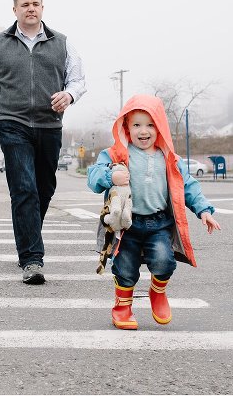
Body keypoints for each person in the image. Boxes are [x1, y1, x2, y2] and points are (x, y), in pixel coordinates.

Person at [0, 0, 87, 284]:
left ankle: (28, 230)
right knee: (24, 187)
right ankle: (32, 259)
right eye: (25, 4)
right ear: (15, 10)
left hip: (49, 125)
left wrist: (69, 95)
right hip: (12, 122)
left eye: (35, 3)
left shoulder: (62, 43)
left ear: (42, 8)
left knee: (43, 189)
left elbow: (78, 79)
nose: (30, 8)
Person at [87, 94, 221, 329]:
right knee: (125, 267)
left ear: (160, 127)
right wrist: (110, 176)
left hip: (158, 224)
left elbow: (188, 185)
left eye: (150, 124)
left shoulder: (169, 158)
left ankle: (157, 292)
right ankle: (122, 307)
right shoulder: (116, 153)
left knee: (164, 261)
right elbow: (93, 177)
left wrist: (204, 210)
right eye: (136, 124)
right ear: (126, 126)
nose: (143, 131)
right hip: (126, 225)